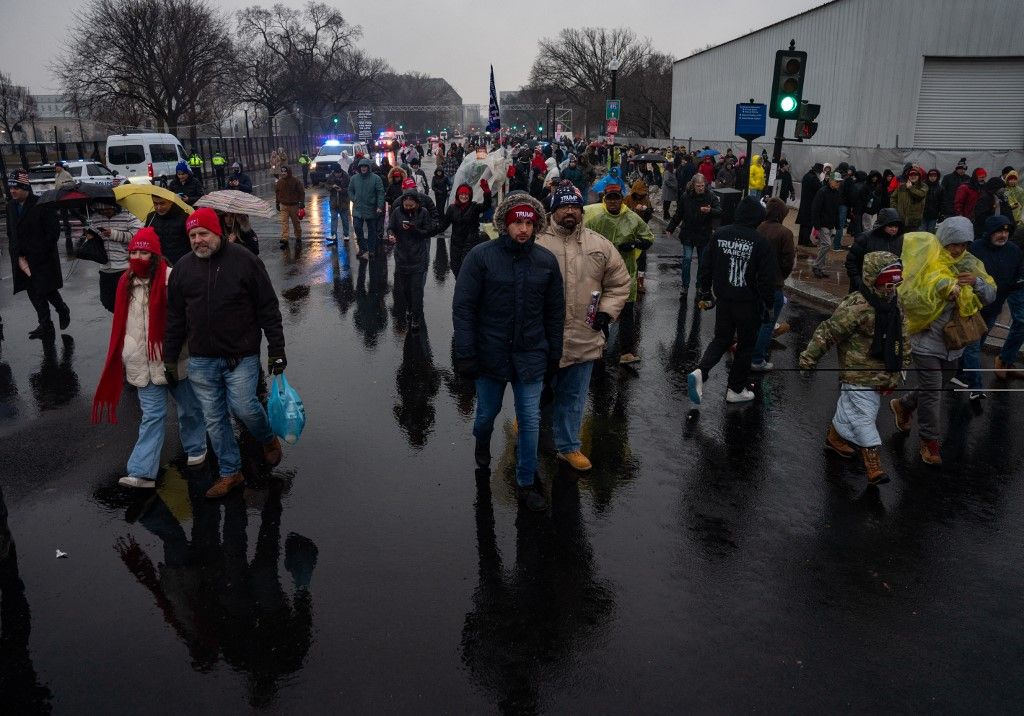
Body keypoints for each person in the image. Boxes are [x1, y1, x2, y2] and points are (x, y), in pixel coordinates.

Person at [164, 207, 287, 498]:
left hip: (240, 356)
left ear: (217, 232)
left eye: (203, 233)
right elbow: (175, 318)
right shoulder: (183, 268)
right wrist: (169, 358)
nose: (198, 240)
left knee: (244, 407)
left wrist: (276, 350)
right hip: (201, 360)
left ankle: (267, 438)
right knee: (215, 420)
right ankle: (231, 472)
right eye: (192, 235)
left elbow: (268, 309)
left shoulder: (246, 261)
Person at [452, 193, 564, 512]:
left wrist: (554, 355)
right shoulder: (481, 257)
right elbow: (464, 308)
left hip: (531, 356)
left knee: (529, 420)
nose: (523, 229)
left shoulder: (545, 261)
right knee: (486, 415)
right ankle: (482, 445)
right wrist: (466, 353)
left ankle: (526, 480)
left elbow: (555, 311)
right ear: (505, 223)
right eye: (517, 222)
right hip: (490, 356)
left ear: (537, 224)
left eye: (529, 223)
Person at [91, 228, 207, 489]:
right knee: (152, 416)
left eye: (144, 252)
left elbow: (187, 320)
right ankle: (142, 472)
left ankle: (196, 446)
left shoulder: (171, 279)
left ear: (155, 254)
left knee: (189, 409)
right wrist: (126, 353)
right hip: (141, 363)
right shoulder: (125, 282)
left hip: (174, 360)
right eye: (134, 252)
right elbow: (122, 325)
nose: (138, 257)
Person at [536, 183, 630, 471]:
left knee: (574, 396)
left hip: (584, 337)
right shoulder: (537, 242)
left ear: (581, 210)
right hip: (542, 339)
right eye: (563, 206)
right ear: (553, 210)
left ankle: (568, 447)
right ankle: (535, 435)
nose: (569, 212)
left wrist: (606, 313)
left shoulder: (599, 245)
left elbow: (619, 283)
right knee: (540, 394)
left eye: (574, 207)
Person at [890, 218, 996, 465]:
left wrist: (977, 283)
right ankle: (930, 443)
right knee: (933, 392)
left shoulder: (971, 264)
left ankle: (904, 405)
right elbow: (916, 289)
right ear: (944, 240)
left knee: (937, 385)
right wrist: (945, 286)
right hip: (926, 339)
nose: (957, 250)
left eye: (962, 245)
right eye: (953, 244)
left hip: (955, 342)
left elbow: (991, 295)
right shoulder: (930, 259)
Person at [799, 251, 907, 484]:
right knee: (863, 417)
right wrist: (809, 358)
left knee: (852, 409)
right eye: (887, 282)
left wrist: (899, 369)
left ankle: (834, 437)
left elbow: (903, 337)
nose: (891, 287)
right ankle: (873, 466)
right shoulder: (857, 305)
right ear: (873, 278)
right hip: (857, 373)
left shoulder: (895, 303)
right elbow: (828, 332)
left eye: (896, 282)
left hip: (884, 372)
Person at [687, 197, 774, 404]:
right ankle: (735, 389)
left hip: (724, 299)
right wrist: (768, 304)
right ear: (757, 217)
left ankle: (701, 370)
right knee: (745, 345)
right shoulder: (760, 242)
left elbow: (706, 265)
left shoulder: (720, 234)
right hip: (748, 302)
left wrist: (704, 291)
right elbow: (766, 279)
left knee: (721, 339)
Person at [583, 180, 654, 365]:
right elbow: (584, 241)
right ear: (605, 199)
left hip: (626, 274)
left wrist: (635, 244)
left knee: (627, 311)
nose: (613, 201)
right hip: (601, 274)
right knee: (600, 310)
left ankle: (626, 351)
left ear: (622, 199)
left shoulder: (632, 218)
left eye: (616, 198)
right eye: (610, 198)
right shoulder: (596, 221)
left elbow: (648, 238)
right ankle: (600, 342)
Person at [962, 216, 1023, 395]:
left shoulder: (1013, 250)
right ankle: (975, 385)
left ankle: (963, 371)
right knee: (972, 346)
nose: (1003, 235)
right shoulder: (975, 248)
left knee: (980, 340)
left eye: (1006, 232)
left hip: (994, 307)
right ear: (990, 232)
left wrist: (1017, 282)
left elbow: (1019, 272)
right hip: (973, 307)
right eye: (999, 231)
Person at [6, 170, 70, 338]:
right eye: (11, 187)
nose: (12, 191)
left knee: (46, 289)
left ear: (26, 187)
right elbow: (11, 231)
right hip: (22, 258)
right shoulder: (11, 206)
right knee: (33, 292)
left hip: (41, 257)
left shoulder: (41, 204)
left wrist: (41, 250)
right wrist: (15, 250)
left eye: (16, 188)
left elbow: (53, 232)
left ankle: (62, 309)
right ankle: (45, 324)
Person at [751, 198, 796, 371]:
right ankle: (757, 359)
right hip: (774, 285)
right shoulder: (785, 233)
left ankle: (748, 353)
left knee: (755, 321)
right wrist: (781, 276)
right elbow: (788, 261)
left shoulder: (759, 228)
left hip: (756, 283)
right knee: (767, 324)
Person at [667, 173, 721, 299]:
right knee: (687, 259)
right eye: (698, 186)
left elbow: (719, 211)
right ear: (693, 185)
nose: (700, 188)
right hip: (688, 233)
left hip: (703, 233)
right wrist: (670, 227)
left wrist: (710, 211)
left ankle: (699, 286)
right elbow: (678, 213)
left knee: (702, 262)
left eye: (702, 186)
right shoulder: (686, 196)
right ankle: (685, 286)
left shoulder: (710, 196)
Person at [387, 189, 432, 330]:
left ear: (417, 204)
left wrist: (414, 229)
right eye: (406, 206)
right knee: (406, 290)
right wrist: (391, 235)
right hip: (402, 257)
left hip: (418, 257)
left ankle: (416, 317)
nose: (408, 208)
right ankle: (410, 309)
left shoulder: (424, 212)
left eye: (411, 206)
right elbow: (391, 227)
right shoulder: (397, 212)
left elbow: (427, 232)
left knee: (416, 290)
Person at [87, 200, 143, 312]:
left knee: (128, 301)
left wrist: (113, 234)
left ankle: (126, 323)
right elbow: (92, 233)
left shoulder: (128, 216)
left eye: (108, 209)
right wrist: (89, 236)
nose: (105, 212)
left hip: (124, 267)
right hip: (105, 267)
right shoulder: (96, 218)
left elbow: (137, 236)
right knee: (107, 301)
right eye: (102, 210)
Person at [436, 180, 492, 278]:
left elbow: (486, 206)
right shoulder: (452, 208)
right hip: (456, 244)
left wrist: (487, 192)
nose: (464, 196)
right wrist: (427, 230)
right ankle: (461, 288)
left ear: (470, 196)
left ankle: (468, 289)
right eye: (461, 194)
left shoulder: (474, 207)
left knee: (466, 268)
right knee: (456, 268)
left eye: (466, 194)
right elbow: (443, 226)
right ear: (458, 195)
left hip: (470, 242)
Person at [845, 207, 904, 292]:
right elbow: (851, 262)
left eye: (896, 226)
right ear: (883, 224)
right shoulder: (865, 238)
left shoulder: (898, 240)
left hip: (887, 289)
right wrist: (858, 282)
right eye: (890, 226)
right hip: (863, 287)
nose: (894, 229)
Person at [349, 158, 386, 260]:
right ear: (359, 167)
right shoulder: (354, 178)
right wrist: (354, 199)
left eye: (365, 166)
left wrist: (379, 206)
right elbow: (350, 190)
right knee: (357, 227)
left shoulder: (376, 178)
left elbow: (380, 193)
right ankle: (362, 248)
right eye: (362, 166)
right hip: (358, 209)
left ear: (368, 167)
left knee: (372, 230)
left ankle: (371, 249)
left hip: (371, 208)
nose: (363, 168)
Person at [623, 180, 654, 294]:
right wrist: (635, 210)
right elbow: (622, 213)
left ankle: (640, 282)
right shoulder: (627, 199)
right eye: (639, 193)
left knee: (642, 257)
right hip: (628, 231)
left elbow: (650, 214)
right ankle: (626, 280)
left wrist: (646, 210)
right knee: (627, 255)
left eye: (642, 193)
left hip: (641, 231)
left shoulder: (646, 200)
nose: (641, 195)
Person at [811, 171, 844, 277]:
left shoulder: (836, 193)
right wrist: (817, 225)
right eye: (837, 181)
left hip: (830, 224)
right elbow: (815, 208)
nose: (838, 184)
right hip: (823, 224)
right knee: (826, 245)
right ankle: (816, 266)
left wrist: (837, 224)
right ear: (830, 181)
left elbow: (836, 210)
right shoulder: (822, 192)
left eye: (839, 182)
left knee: (823, 246)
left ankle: (819, 268)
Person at [144, 195, 190, 265]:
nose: (158, 208)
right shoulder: (151, 217)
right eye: (155, 204)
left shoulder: (184, 217)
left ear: (171, 202)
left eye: (162, 203)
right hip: (157, 263)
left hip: (179, 264)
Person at [275, 166, 305, 248]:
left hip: (294, 206)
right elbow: (277, 193)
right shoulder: (280, 182)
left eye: (285, 172)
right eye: (282, 172)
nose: (283, 173)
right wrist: (277, 203)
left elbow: (301, 192)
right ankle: (285, 238)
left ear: (289, 172)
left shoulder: (295, 181)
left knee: (296, 223)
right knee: (284, 222)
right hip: (283, 205)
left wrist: (301, 203)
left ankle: (298, 236)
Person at [890, 167, 927, 231]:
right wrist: (895, 209)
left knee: (912, 239)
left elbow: (921, 195)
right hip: (901, 219)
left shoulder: (923, 186)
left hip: (914, 221)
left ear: (919, 176)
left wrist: (911, 188)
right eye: (911, 175)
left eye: (915, 175)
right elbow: (893, 197)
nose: (913, 176)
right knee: (901, 239)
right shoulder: (902, 186)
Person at [797, 162, 824, 246]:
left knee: (803, 223)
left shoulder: (806, 176)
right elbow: (819, 189)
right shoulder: (814, 178)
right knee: (808, 223)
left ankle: (801, 241)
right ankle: (806, 242)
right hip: (810, 203)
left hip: (804, 202)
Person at [325, 166, 350, 244]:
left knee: (345, 219)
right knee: (333, 219)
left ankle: (346, 234)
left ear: (341, 172)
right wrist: (332, 186)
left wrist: (341, 190)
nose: (337, 175)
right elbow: (326, 186)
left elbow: (350, 189)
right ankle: (333, 235)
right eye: (336, 173)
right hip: (334, 202)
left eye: (339, 173)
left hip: (344, 202)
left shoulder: (346, 177)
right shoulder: (331, 177)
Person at [922, 169, 944, 233]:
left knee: (930, 232)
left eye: (934, 176)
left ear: (937, 177)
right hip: (922, 214)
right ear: (928, 176)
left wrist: (941, 213)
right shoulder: (923, 186)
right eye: (931, 176)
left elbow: (942, 201)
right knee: (922, 232)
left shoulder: (940, 188)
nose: (932, 177)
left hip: (934, 215)